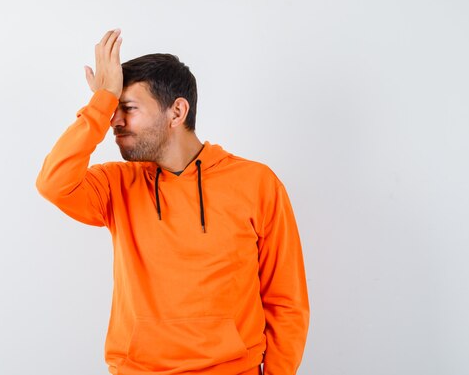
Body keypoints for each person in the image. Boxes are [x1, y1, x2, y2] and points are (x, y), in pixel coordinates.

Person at [35, 29, 309, 375]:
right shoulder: (116, 184)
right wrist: (101, 100)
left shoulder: (256, 183)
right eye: (111, 110)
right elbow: (53, 183)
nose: (114, 122)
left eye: (127, 108)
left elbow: (286, 301)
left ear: (177, 111)